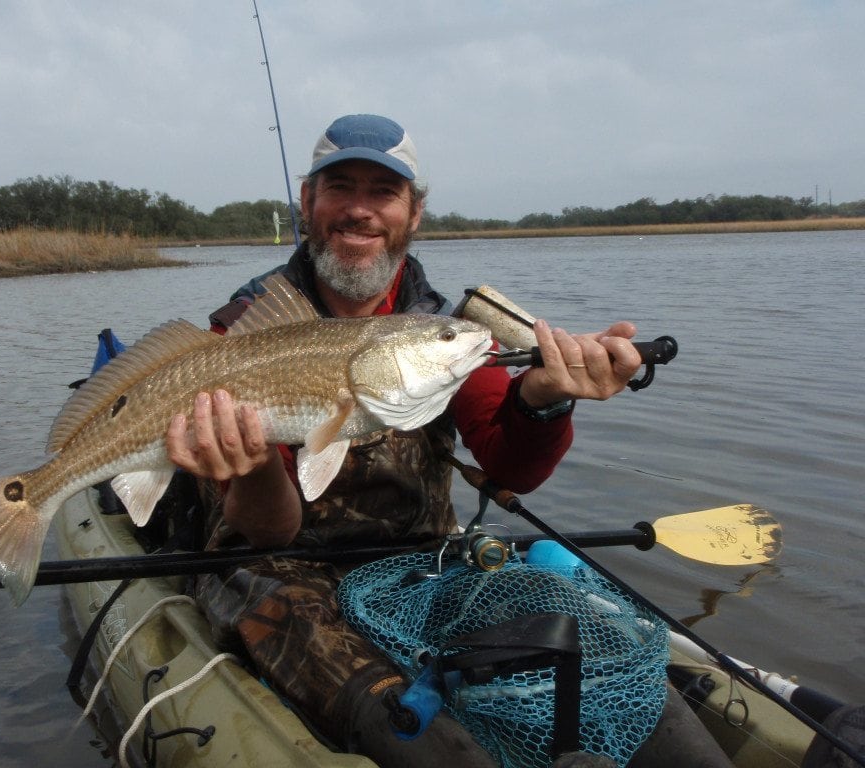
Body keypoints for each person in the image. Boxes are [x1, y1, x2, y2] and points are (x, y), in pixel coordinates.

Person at [162, 114, 727, 767]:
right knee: (392, 707)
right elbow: (265, 531)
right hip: (271, 569)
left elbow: (507, 459)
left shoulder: (448, 332)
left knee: (598, 650)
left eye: (384, 191)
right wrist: (258, 465)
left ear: (414, 211)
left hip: (422, 566)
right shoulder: (243, 335)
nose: (360, 209)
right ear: (307, 202)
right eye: (340, 186)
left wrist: (545, 398)